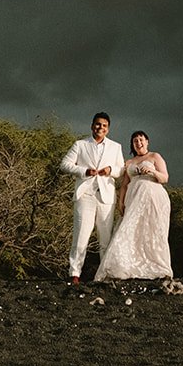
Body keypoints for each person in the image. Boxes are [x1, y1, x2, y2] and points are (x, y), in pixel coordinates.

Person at [95, 130, 172, 281]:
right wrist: (120, 201)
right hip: (133, 198)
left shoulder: (155, 156)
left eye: (141, 139)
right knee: (129, 229)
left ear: (147, 141)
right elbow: (124, 185)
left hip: (153, 197)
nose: (138, 143)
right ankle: (126, 266)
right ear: (132, 144)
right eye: (135, 141)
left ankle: (157, 266)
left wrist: (152, 170)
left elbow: (164, 178)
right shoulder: (129, 163)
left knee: (153, 230)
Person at [61, 112, 124, 284]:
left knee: (105, 237)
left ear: (108, 129)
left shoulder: (116, 147)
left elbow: (122, 169)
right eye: (97, 124)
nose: (100, 127)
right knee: (81, 235)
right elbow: (65, 164)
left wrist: (110, 170)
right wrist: (83, 171)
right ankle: (74, 273)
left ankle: (104, 274)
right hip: (85, 194)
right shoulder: (80, 144)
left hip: (106, 196)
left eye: (104, 125)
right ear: (92, 126)